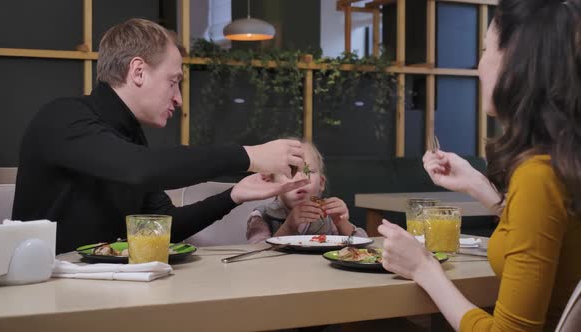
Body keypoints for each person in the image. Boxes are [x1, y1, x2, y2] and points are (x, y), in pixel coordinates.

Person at [12, 18, 309, 254]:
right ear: (138, 71)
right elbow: (140, 168)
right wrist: (247, 155)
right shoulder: (63, 117)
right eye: (173, 81)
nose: (178, 99)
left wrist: (233, 195)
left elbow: (163, 227)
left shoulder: (130, 138)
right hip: (47, 296)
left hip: (105, 290)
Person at [377, 0, 581, 330]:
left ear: (517, 62)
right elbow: (551, 230)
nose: (478, 66)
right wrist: (476, 185)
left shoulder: (538, 175)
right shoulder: (561, 162)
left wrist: (423, 269)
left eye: (486, 49)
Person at [246, 139, 366, 243]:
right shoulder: (261, 216)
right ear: (271, 182)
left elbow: (363, 246)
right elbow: (257, 255)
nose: (302, 177)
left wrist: (342, 223)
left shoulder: (328, 216)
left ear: (321, 183)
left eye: (310, 172)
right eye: (291, 170)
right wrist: (288, 227)